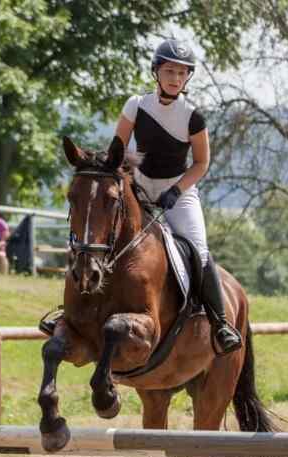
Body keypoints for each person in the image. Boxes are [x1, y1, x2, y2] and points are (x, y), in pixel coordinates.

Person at [114, 37, 242, 354]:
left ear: (187, 78)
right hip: (139, 187)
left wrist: (176, 190)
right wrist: (125, 182)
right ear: (156, 72)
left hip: (178, 192)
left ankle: (221, 322)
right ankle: (74, 309)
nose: (176, 78)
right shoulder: (136, 105)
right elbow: (115, 152)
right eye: (170, 71)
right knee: (102, 234)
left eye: (182, 73)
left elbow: (201, 163)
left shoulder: (192, 116)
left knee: (198, 249)